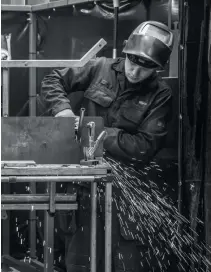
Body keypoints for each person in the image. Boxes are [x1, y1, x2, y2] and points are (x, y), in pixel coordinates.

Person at [41, 21, 174, 272]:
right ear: (125, 51)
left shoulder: (161, 95)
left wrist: (93, 129)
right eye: (132, 61)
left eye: (145, 67)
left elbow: (143, 148)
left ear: (158, 68)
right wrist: (63, 112)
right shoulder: (100, 68)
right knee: (79, 261)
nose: (135, 71)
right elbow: (52, 80)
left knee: (124, 263)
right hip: (81, 185)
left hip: (125, 194)